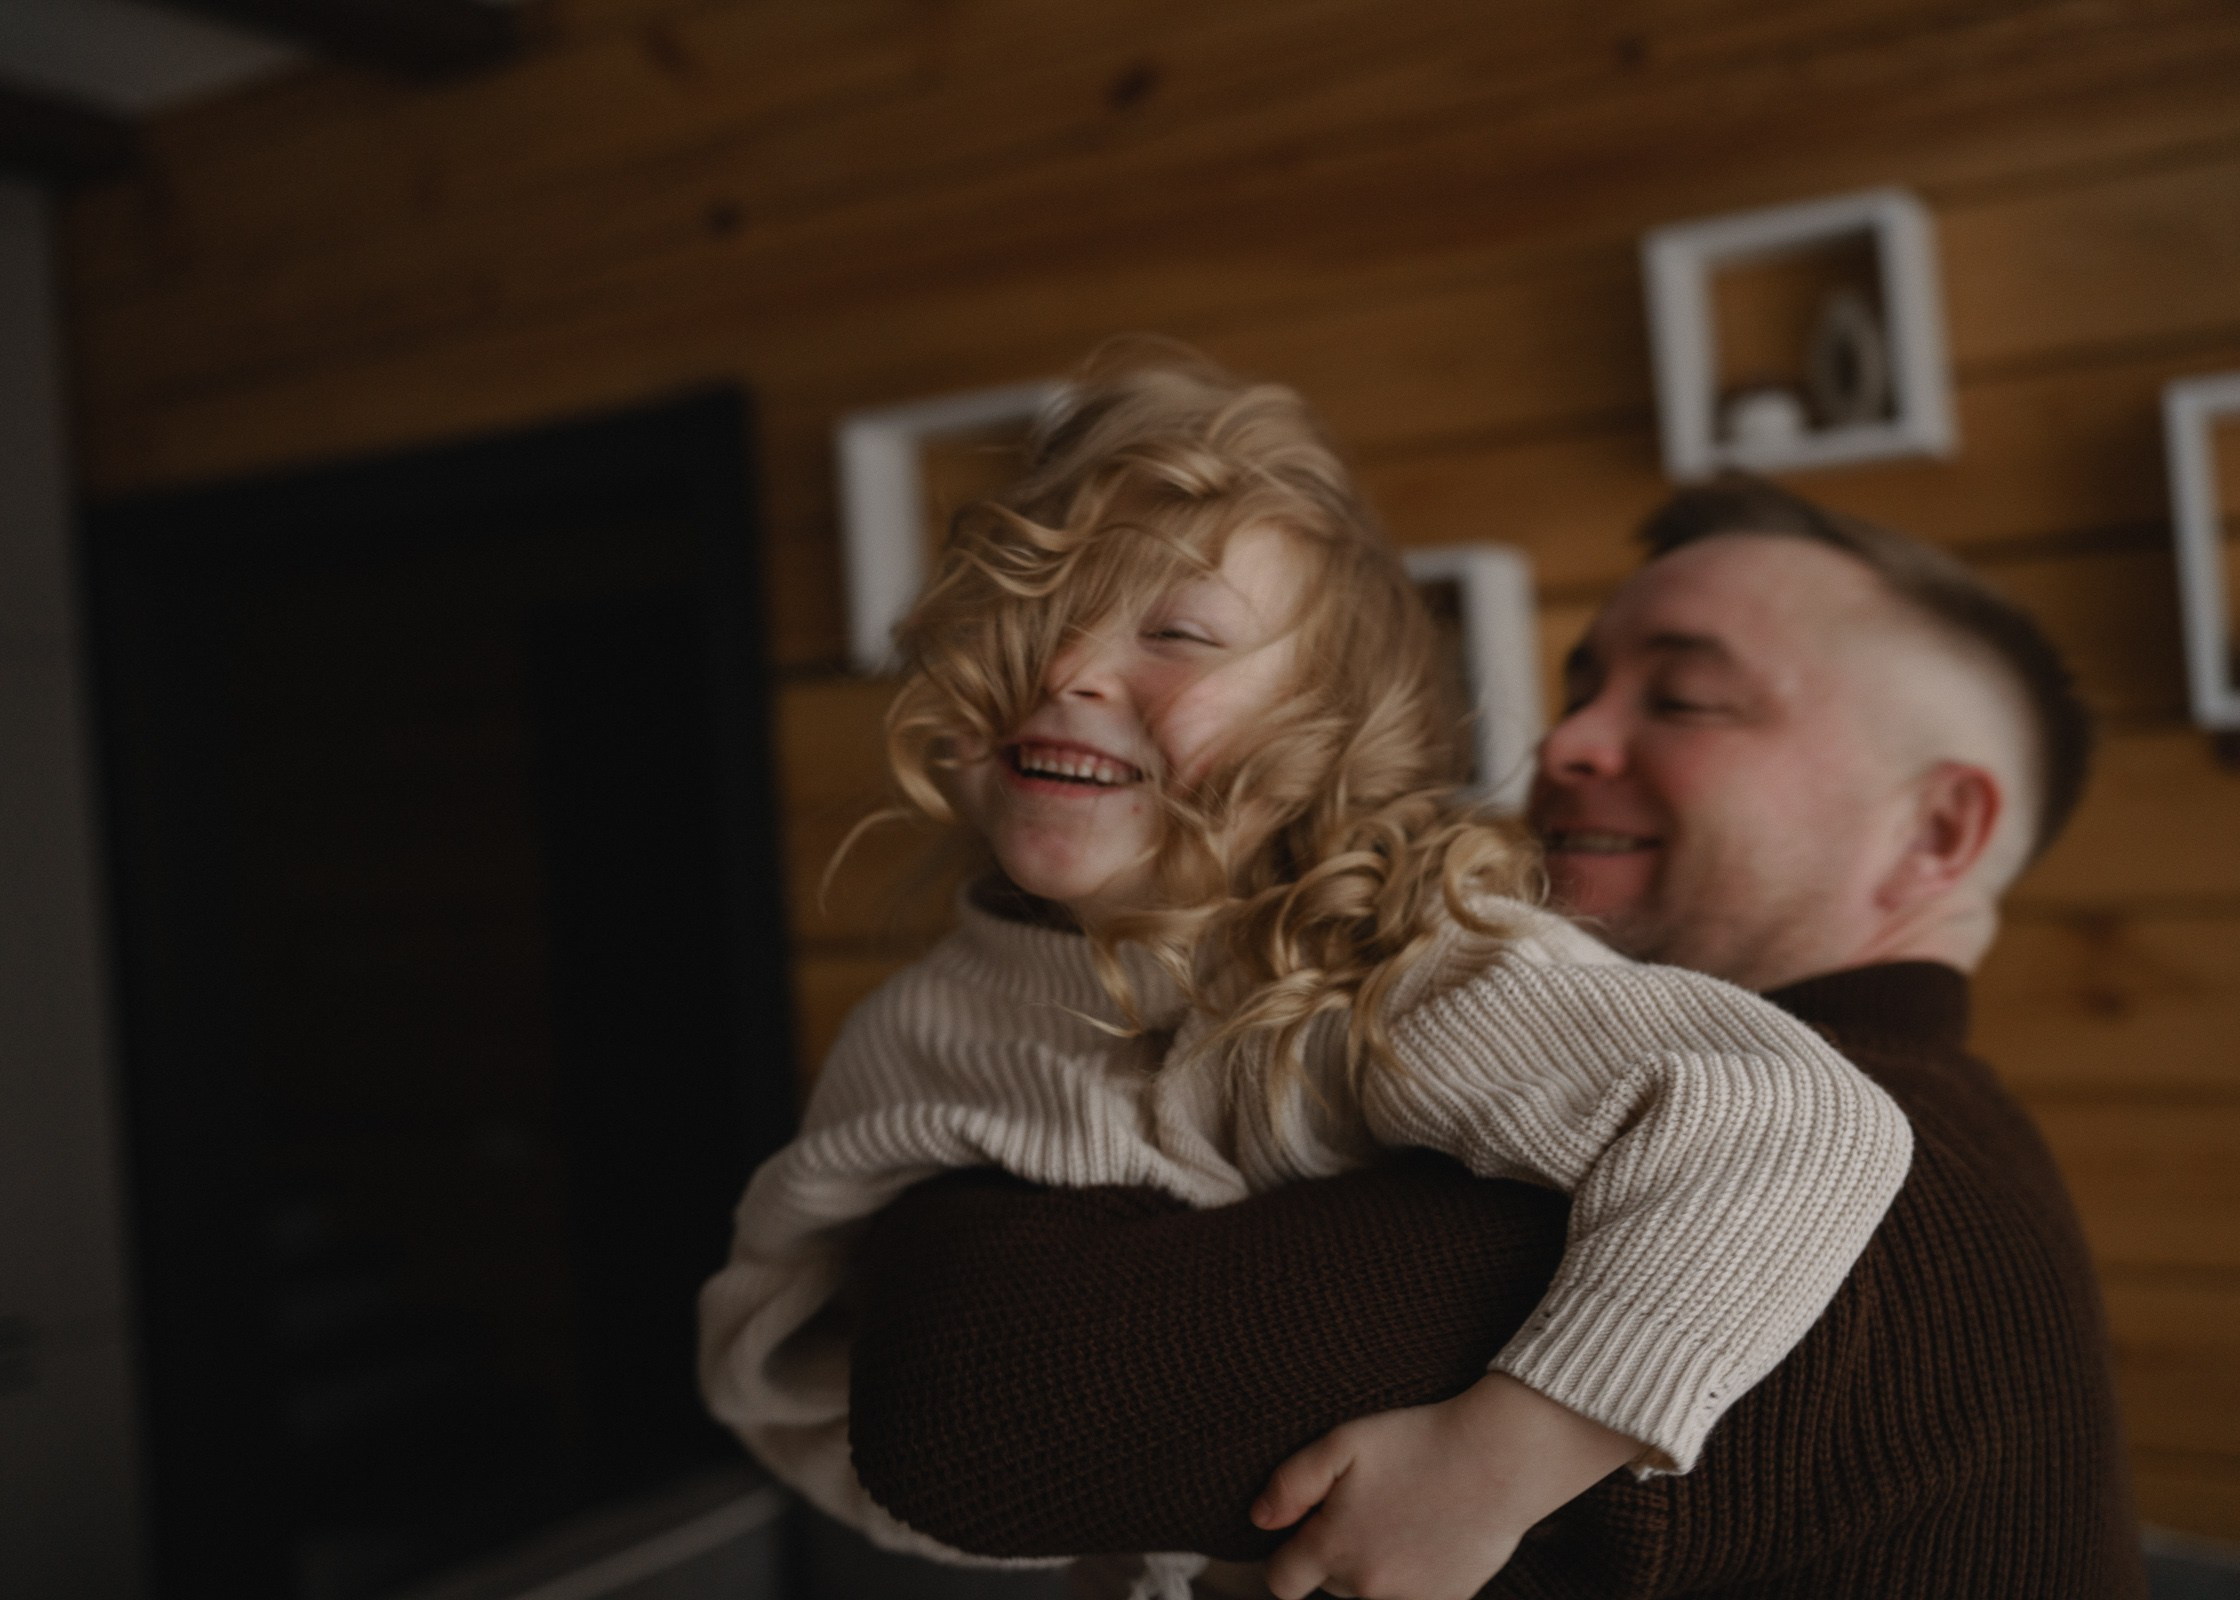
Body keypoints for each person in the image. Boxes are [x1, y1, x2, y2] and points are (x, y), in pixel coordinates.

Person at [696, 354, 1914, 1600]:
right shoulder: (918, 1026)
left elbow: (1802, 1124)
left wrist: (1494, 1462)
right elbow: (798, 1372)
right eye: (1033, 609)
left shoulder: (1395, 959)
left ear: (1322, 735)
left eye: (1177, 633)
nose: (1067, 670)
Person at [843, 475, 2146, 1598]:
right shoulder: (1577, 1083)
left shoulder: (1802, 1196)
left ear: (1937, 833)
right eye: (1582, 686)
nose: (1564, 743)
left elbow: (972, 1410)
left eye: (1686, 700)